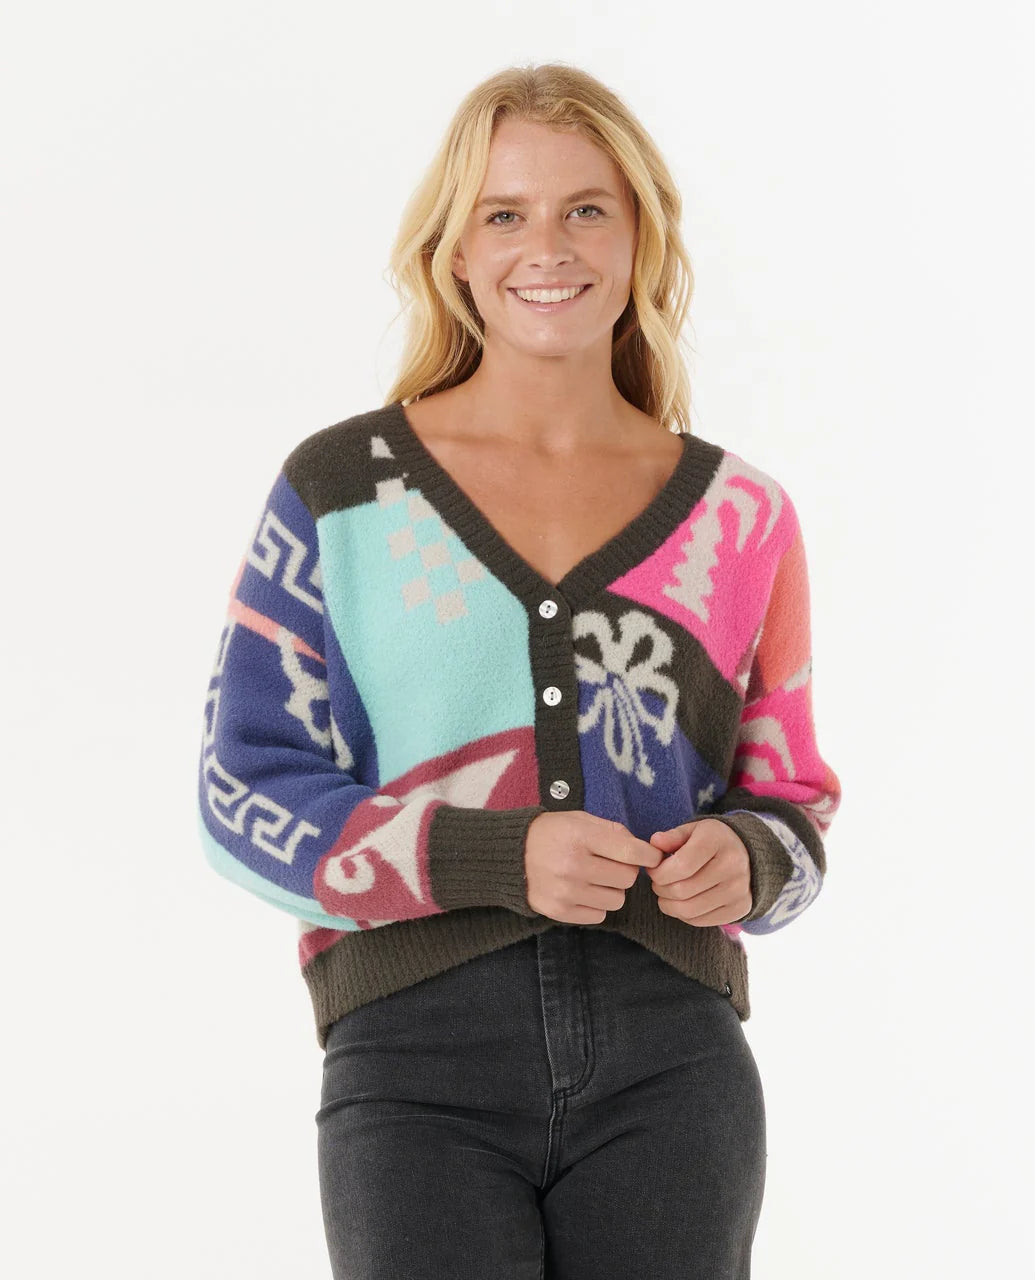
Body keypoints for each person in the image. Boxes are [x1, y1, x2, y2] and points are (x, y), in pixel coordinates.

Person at [197, 62, 842, 1280]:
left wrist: (749, 855)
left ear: (641, 236)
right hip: (414, 1063)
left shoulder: (740, 518)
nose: (547, 246)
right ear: (453, 249)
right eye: (505, 212)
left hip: (674, 1062)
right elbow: (241, 791)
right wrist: (491, 854)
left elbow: (795, 803)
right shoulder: (343, 492)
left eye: (586, 208)